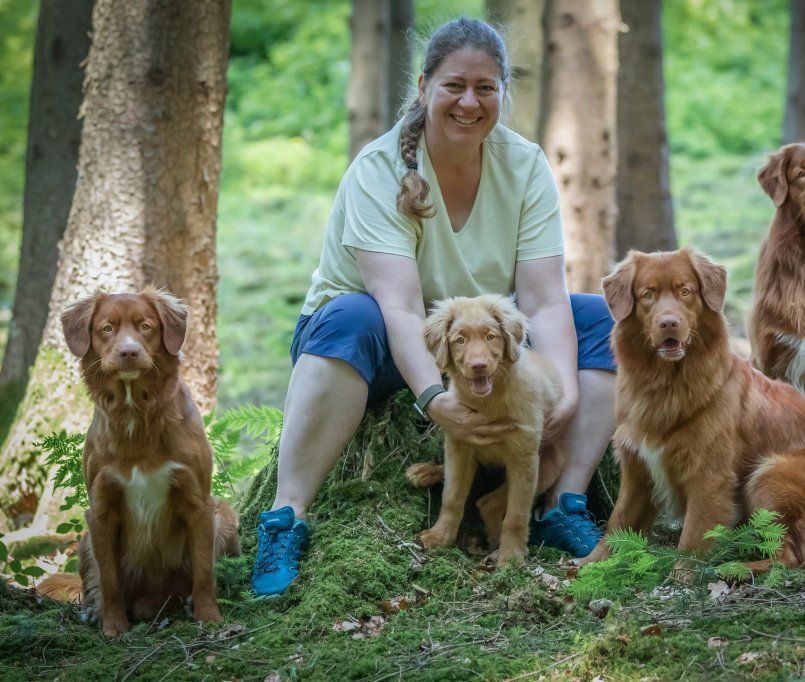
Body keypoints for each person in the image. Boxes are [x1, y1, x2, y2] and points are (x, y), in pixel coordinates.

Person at [251, 17, 617, 596]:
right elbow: (398, 309)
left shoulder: (525, 166)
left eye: (485, 88)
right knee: (353, 315)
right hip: (372, 344)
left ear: (502, 93)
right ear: (423, 88)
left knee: (596, 318)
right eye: (454, 86)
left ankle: (563, 501)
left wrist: (564, 392)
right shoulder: (380, 169)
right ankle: (285, 519)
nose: (469, 102)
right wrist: (434, 400)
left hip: (480, 347)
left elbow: (546, 300)